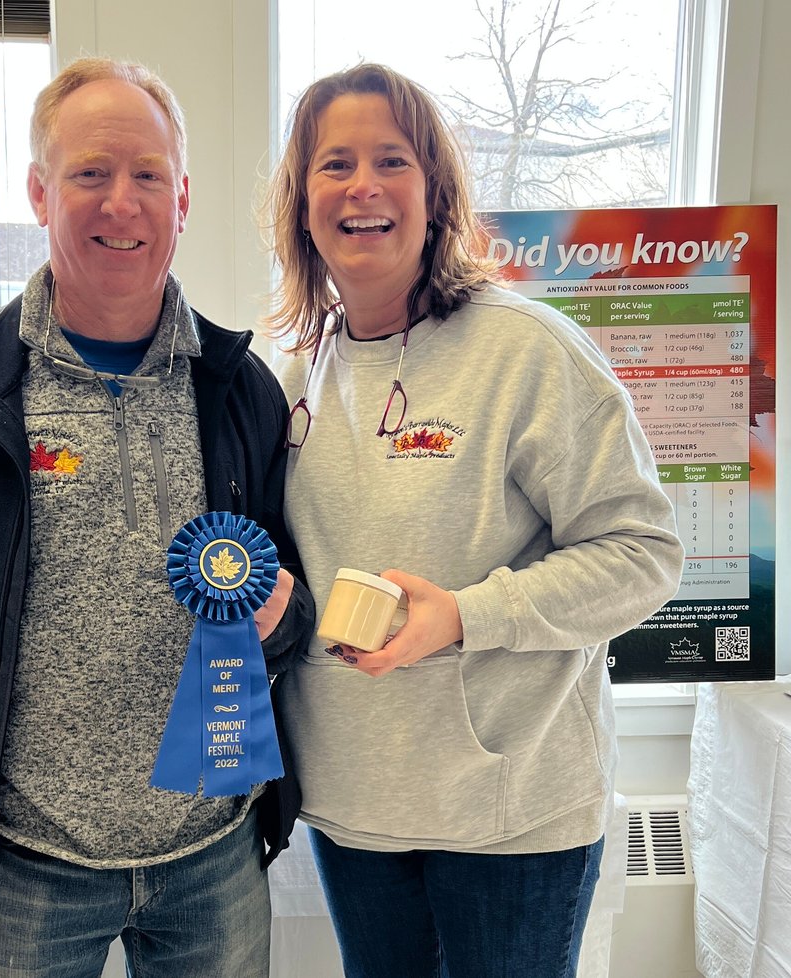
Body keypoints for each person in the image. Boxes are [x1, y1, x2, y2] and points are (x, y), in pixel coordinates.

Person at [0, 56, 313, 977]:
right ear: (39, 191)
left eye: (147, 176)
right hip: (24, 871)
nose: (120, 204)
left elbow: (292, 606)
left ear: (182, 200)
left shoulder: (239, 389)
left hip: (213, 860)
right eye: (90, 173)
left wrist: (284, 617)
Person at [264, 63, 684, 978]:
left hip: (511, 812)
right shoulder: (291, 373)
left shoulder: (525, 352)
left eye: (392, 160)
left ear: (436, 190)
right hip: (357, 805)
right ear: (301, 202)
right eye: (334, 164)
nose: (363, 187)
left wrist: (463, 616)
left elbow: (644, 555)